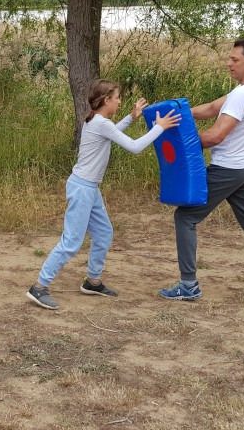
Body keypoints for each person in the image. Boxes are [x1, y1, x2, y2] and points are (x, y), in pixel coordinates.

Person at [27, 79, 181, 311]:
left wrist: (131, 117)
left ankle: (93, 281)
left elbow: (113, 133)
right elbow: (135, 147)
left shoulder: (98, 122)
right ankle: (39, 287)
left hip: (89, 188)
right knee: (71, 242)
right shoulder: (100, 123)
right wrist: (160, 127)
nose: (120, 101)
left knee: (103, 233)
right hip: (82, 189)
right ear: (106, 100)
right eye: (117, 98)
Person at [159, 38, 244, 303]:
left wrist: (176, 139)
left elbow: (215, 136)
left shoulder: (243, 95)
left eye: (234, 59)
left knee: (185, 218)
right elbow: (211, 109)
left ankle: (188, 285)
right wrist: (175, 114)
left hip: (229, 169)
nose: (228, 63)